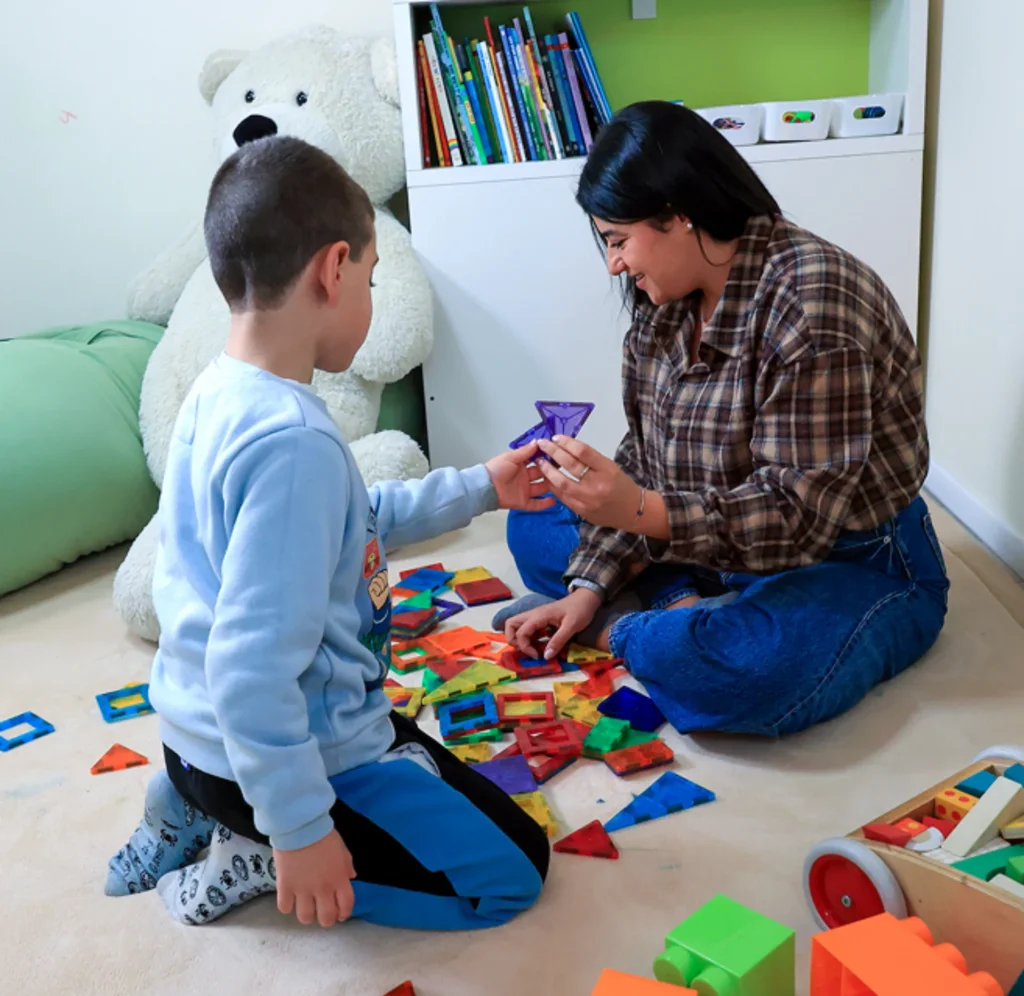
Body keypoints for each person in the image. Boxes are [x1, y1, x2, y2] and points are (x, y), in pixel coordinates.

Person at [105, 135, 553, 930]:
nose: (372, 296)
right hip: (279, 759)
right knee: (514, 870)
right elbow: (251, 668)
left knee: (436, 773)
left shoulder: (219, 392)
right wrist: (299, 832)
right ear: (333, 268)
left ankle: (185, 805)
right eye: (373, 279)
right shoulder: (294, 442)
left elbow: (351, 528)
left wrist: (482, 487)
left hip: (197, 739)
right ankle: (251, 854)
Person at [501, 101, 949, 738]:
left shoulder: (811, 303)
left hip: (841, 559)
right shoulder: (671, 301)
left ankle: (646, 621)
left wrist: (632, 522)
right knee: (534, 521)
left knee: (745, 671)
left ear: (679, 215)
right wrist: (588, 585)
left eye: (618, 240)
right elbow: (646, 455)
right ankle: (677, 602)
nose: (614, 265)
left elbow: (799, 522)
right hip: (708, 537)